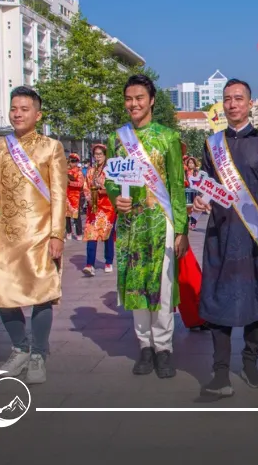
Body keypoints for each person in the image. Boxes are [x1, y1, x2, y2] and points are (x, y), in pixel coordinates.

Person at [0, 87, 67, 383]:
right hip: (5, 235)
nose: (17, 114)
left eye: (24, 109)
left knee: (41, 295)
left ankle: (38, 354)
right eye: (13, 108)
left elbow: (59, 195)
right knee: (3, 296)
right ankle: (20, 348)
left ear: (37, 114)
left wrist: (57, 235)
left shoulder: (51, 147)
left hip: (40, 233)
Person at [193, 78, 258, 397]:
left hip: (256, 238)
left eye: (238, 98)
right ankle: (220, 372)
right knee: (218, 302)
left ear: (250, 103)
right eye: (227, 99)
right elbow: (204, 184)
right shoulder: (212, 144)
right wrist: (200, 198)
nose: (232, 104)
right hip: (221, 235)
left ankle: (250, 360)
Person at [106, 74, 189, 379]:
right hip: (130, 225)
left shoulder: (168, 138)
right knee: (135, 285)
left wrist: (181, 229)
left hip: (161, 223)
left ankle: (164, 347)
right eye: (129, 98)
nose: (134, 104)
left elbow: (178, 186)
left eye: (139, 98)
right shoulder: (117, 138)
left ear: (152, 100)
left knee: (164, 287)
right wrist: (117, 198)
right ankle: (145, 346)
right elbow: (111, 180)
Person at [82, 144, 116, 275]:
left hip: (107, 207)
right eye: (96, 154)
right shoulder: (91, 170)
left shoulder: (110, 170)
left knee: (107, 235)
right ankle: (89, 264)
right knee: (91, 234)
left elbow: (114, 188)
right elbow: (85, 186)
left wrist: (102, 186)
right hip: (94, 207)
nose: (98, 157)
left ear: (105, 155)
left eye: (100, 154)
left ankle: (108, 261)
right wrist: (89, 197)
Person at [66, 153, 85, 240]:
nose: (72, 163)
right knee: (67, 215)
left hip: (76, 196)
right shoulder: (65, 171)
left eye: (74, 161)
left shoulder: (79, 172)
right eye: (71, 160)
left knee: (76, 216)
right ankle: (69, 232)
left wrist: (70, 183)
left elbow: (80, 184)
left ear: (77, 162)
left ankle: (79, 233)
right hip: (67, 195)